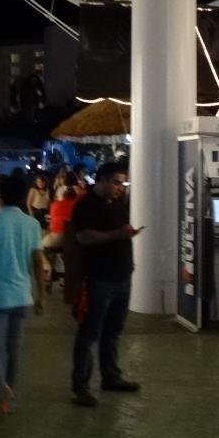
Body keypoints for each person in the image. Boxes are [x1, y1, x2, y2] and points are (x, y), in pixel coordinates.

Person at [0, 174, 45, 420]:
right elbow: (37, 261)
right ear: (24, 197)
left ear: (0, 196)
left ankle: (1, 390)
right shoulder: (32, 225)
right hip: (22, 295)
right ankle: (9, 400)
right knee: (14, 350)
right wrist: (41, 295)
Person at [71, 161, 142, 407]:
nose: (121, 187)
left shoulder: (117, 203)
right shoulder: (86, 205)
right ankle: (81, 386)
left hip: (122, 277)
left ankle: (110, 376)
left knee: (113, 331)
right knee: (89, 333)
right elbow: (83, 237)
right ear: (101, 180)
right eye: (116, 182)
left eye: (123, 183)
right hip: (99, 279)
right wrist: (117, 235)